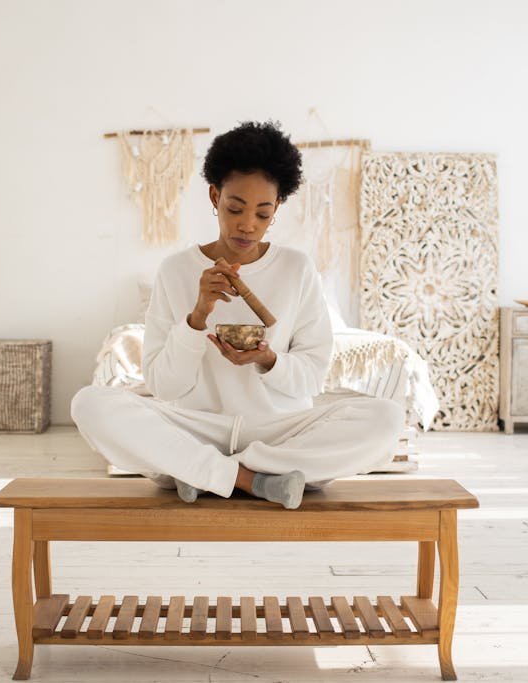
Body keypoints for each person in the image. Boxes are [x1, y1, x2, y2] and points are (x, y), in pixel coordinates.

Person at [71, 121, 404, 509]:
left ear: (277, 207)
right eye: (235, 208)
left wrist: (269, 359)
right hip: (197, 428)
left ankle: (209, 474)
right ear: (215, 197)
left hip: (278, 434)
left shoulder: (297, 269)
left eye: (263, 213)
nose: (248, 225)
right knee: (90, 404)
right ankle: (253, 481)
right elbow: (164, 386)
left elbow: (311, 378)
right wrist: (197, 317)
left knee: (386, 418)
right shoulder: (177, 270)